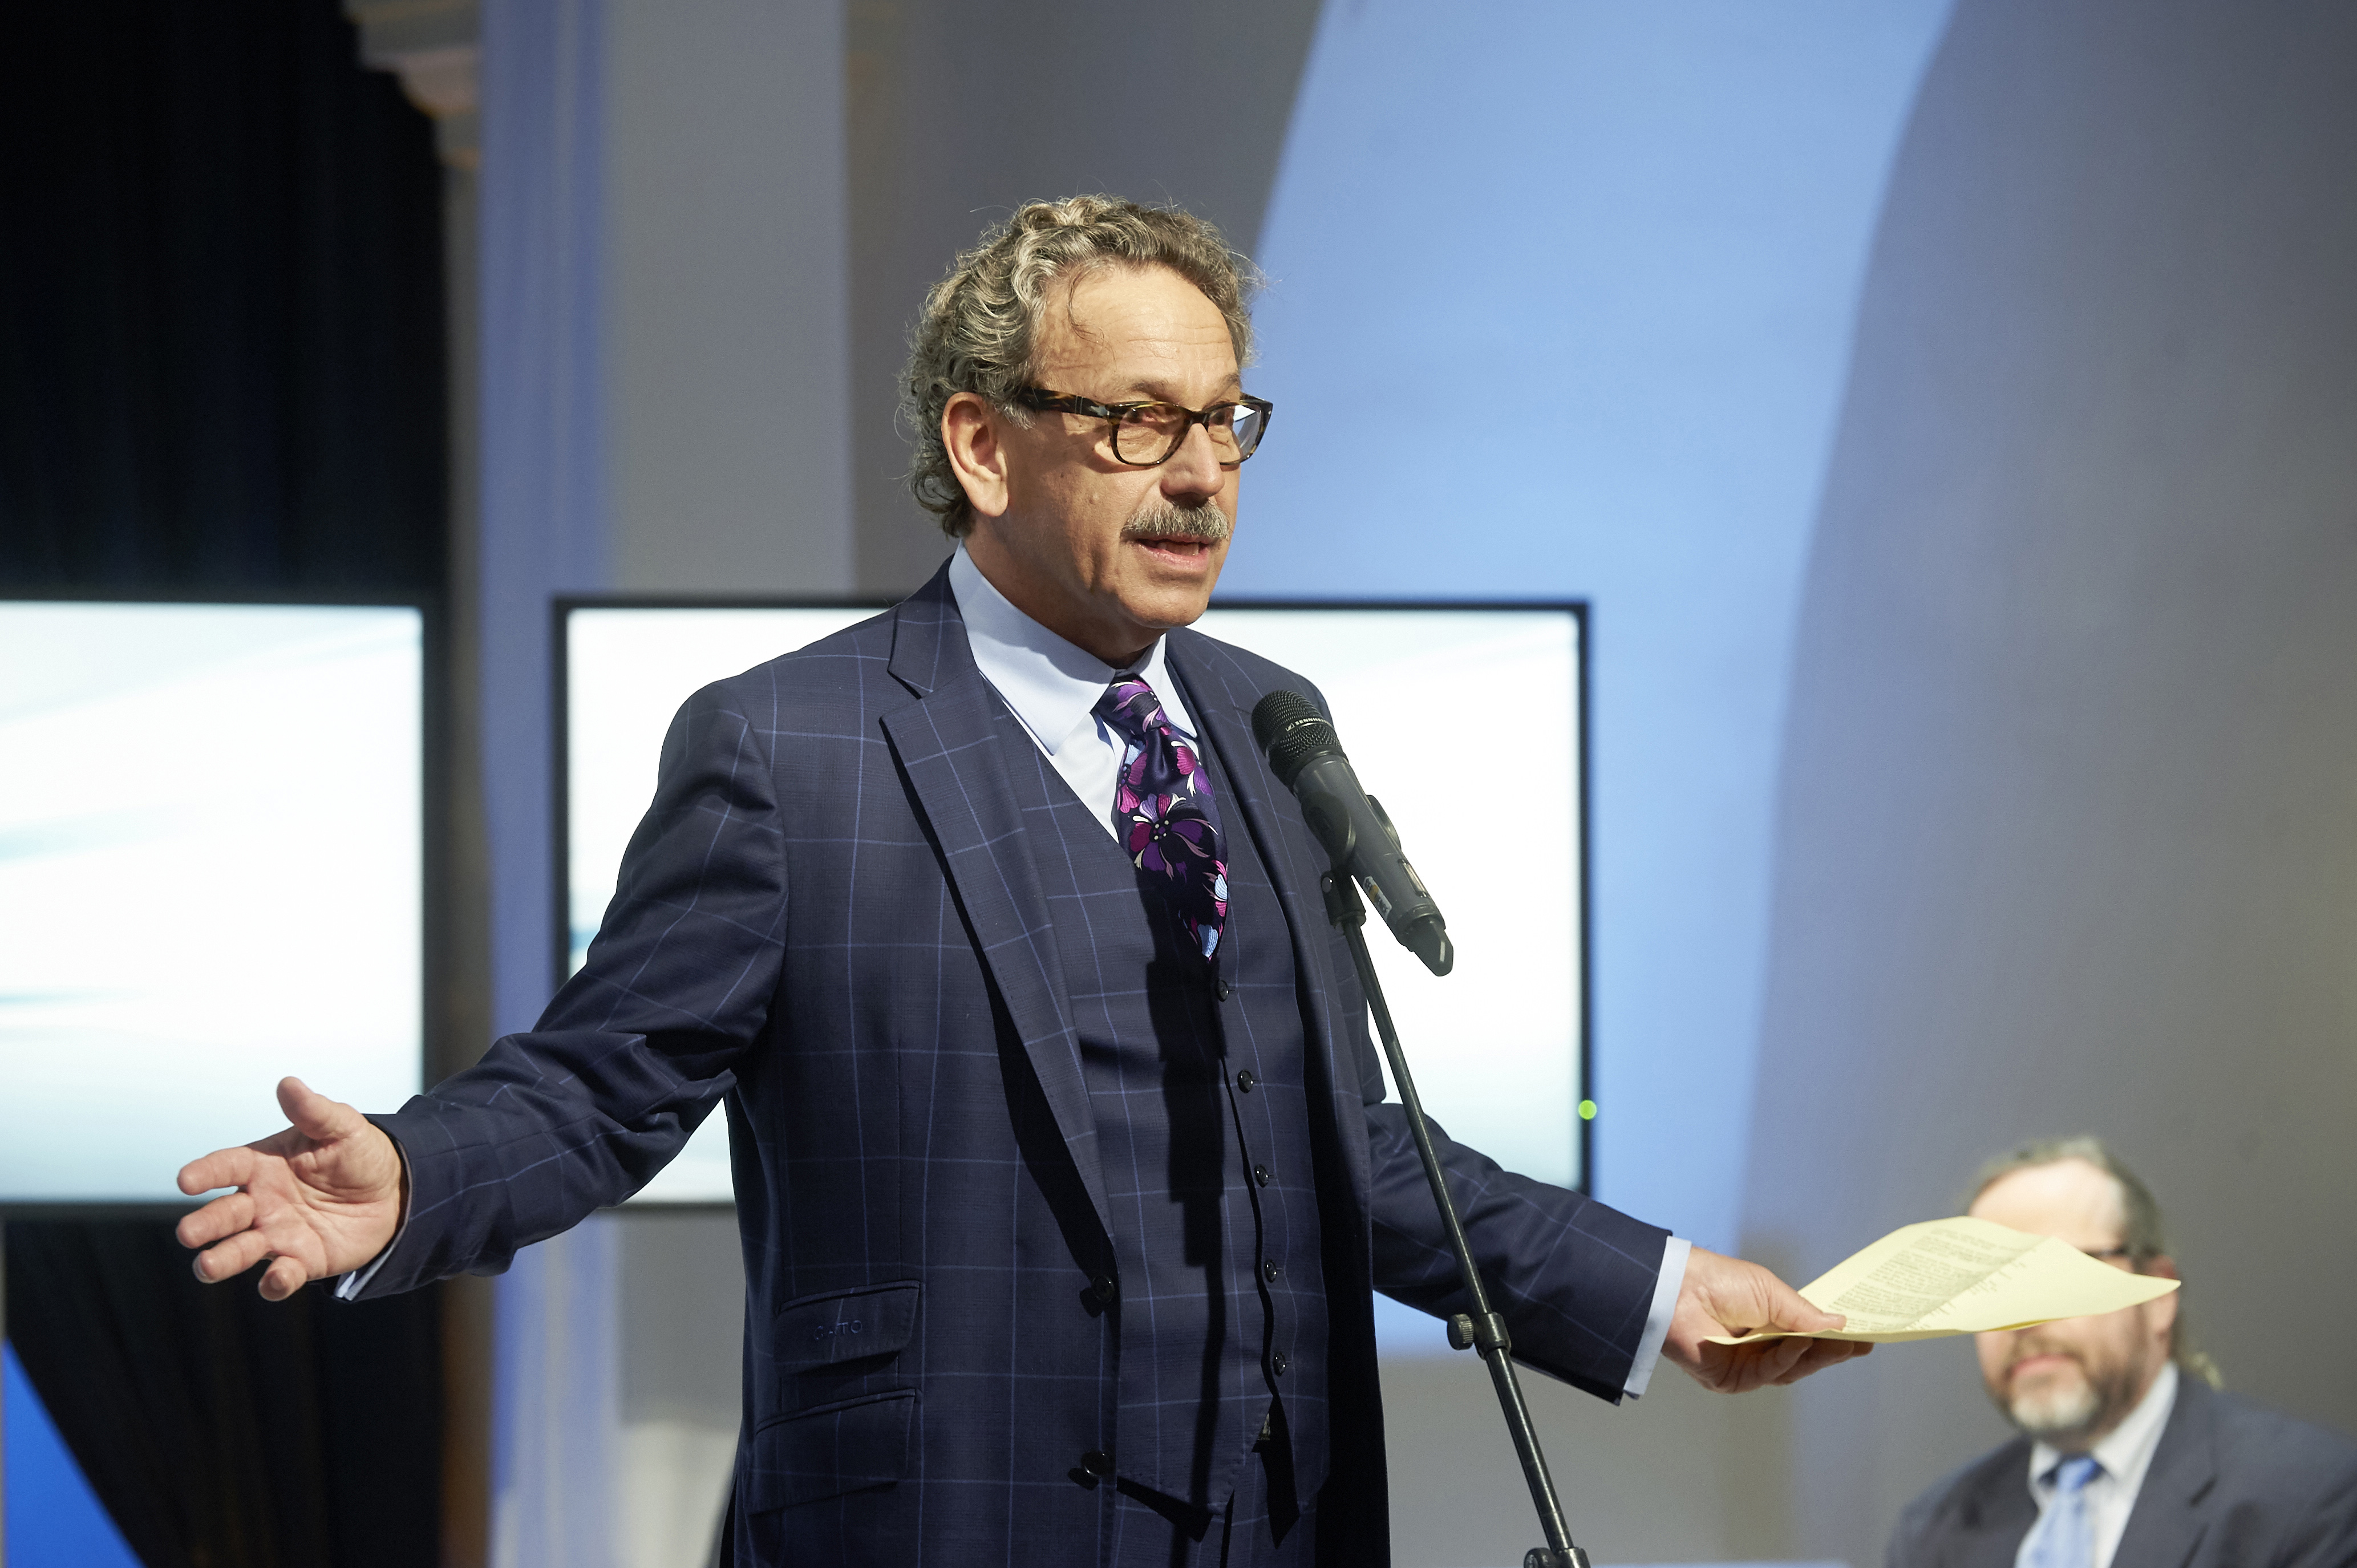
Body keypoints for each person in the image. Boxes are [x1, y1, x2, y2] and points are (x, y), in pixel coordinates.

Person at [176, 195, 1864, 1567]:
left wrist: (1657, 1287)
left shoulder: (1266, 726)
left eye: (1224, 421)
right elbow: (601, 1082)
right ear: (984, 446)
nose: (1199, 473)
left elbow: (1346, 1148)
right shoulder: (790, 748)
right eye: (1137, 421)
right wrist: (417, 1171)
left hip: (1282, 1525)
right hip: (946, 1516)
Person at [1886, 1137, 2357, 1568]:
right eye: (1990, 1289)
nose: (2022, 1320)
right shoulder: (1932, 1532)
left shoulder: (2307, 1496)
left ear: (2156, 1295)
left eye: (2059, 1273)